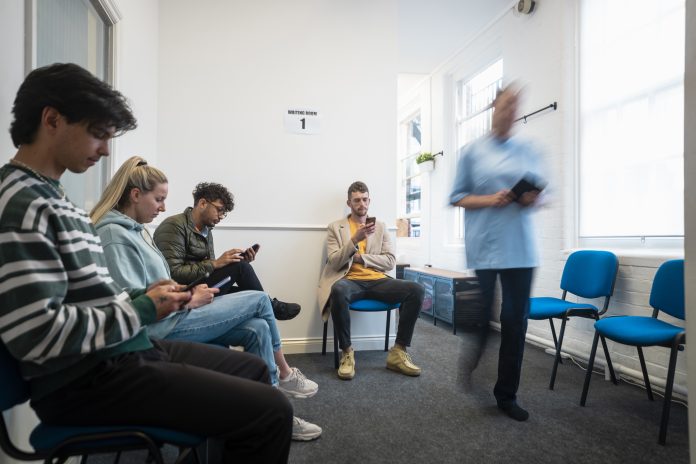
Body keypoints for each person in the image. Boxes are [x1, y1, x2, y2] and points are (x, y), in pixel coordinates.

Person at [0, 62, 293, 463]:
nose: (104, 150)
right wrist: (142, 306)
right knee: (273, 411)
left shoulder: (47, 195)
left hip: (121, 352)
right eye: (98, 134)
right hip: (91, 378)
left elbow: (84, 300)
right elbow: (36, 332)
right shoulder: (24, 205)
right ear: (52, 119)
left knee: (255, 373)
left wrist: (145, 294)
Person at [90, 156, 322, 441]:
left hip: (177, 309)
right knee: (259, 300)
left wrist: (191, 291)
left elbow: (158, 285)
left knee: (258, 327)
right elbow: (135, 303)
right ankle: (284, 377)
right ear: (136, 195)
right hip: (163, 326)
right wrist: (189, 296)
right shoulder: (117, 235)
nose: (163, 207)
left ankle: (274, 407)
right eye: (159, 199)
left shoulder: (138, 231)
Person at [449, 85, 547, 422]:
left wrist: (531, 198)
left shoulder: (528, 150)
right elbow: (457, 196)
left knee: (514, 322)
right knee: (481, 318)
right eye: (505, 105)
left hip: (521, 248)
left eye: (515, 107)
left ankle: (506, 395)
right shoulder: (472, 151)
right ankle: (474, 353)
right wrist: (491, 199)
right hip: (487, 246)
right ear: (494, 106)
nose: (510, 112)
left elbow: (543, 193)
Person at [317, 181, 425, 380]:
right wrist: (354, 240)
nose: (362, 204)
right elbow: (333, 261)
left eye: (365, 199)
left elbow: (390, 261)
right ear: (349, 202)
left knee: (416, 289)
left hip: (378, 280)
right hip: (349, 280)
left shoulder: (381, 227)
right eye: (357, 200)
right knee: (338, 290)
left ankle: (398, 352)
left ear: (369, 200)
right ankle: (347, 353)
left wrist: (361, 258)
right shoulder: (336, 227)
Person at [153, 182, 301, 321]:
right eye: (219, 210)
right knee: (241, 270)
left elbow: (208, 269)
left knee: (249, 293)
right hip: (184, 292)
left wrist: (230, 264)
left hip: (200, 284)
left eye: (224, 213)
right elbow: (172, 273)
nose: (221, 217)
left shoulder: (206, 230)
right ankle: (273, 307)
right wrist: (216, 263)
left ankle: (267, 306)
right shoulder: (174, 226)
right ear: (203, 203)